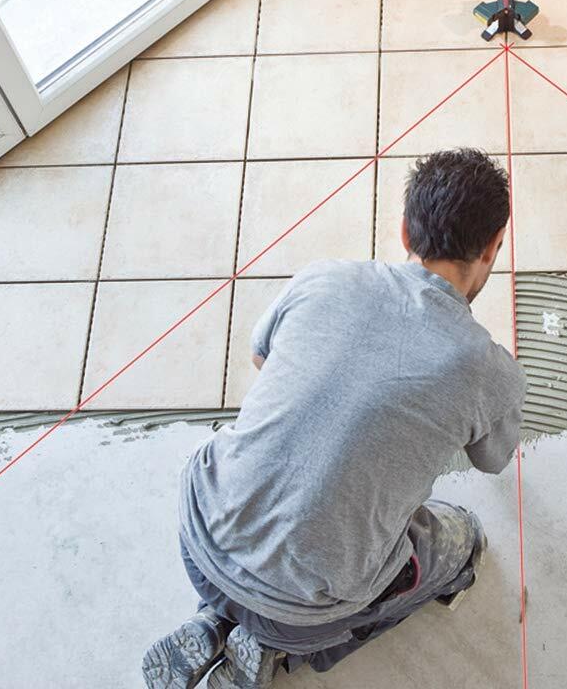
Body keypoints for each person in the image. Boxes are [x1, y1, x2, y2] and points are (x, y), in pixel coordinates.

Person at [143, 148, 527, 689]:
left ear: (403, 231)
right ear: (492, 248)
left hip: (199, 538)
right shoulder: (488, 370)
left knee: (278, 525)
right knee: (459, 539)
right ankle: (273, 648)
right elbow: (493, 459)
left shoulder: (324, 279)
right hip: (300, 613)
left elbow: (261, 356)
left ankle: (213, 622)